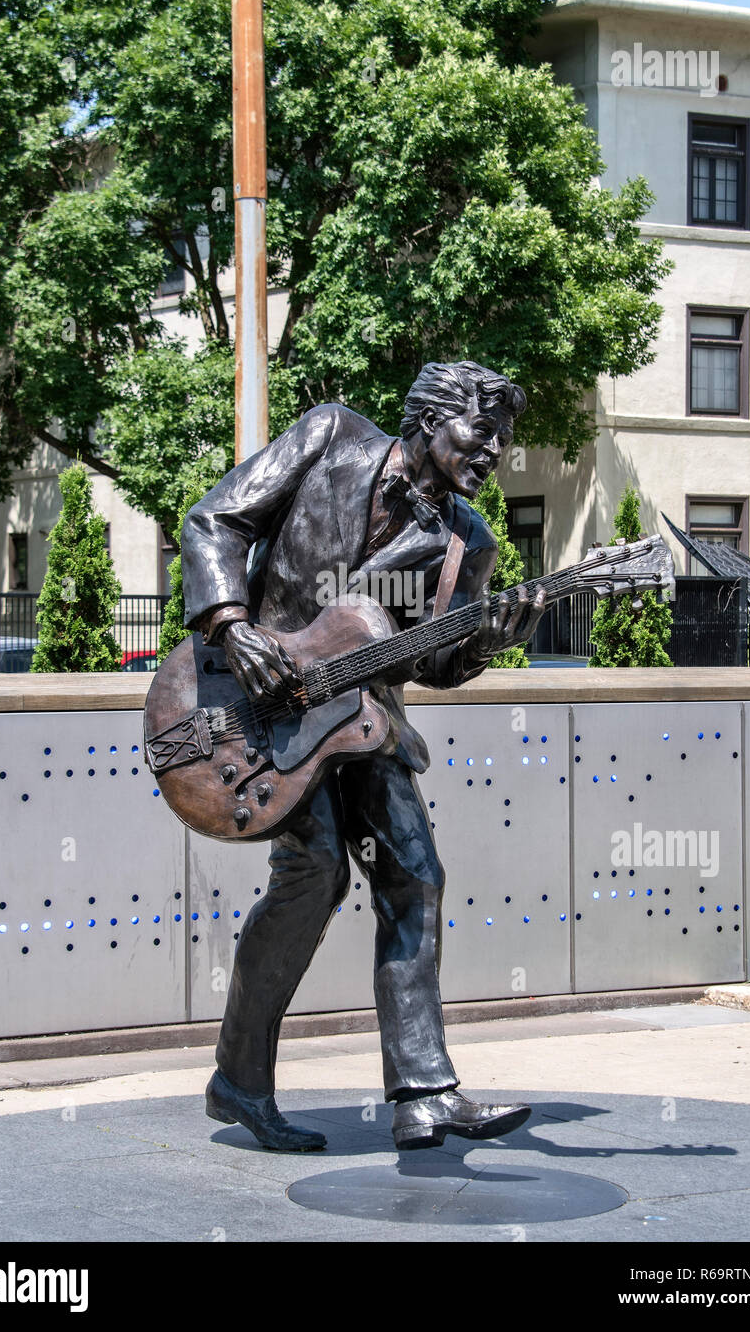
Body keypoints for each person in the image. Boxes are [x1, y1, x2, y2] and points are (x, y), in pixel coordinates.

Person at [180, 360, 546, 1151]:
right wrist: (232, 626)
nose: (494, 454)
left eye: (504, 442)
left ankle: (422, 1093)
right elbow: (215, 520)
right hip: (256, 706)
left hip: (366, 717)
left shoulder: (466, 542)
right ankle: (238, 1080)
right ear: (432, 417)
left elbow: (431, 662)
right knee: (314, 874)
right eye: (483, 433)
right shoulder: (330, 436)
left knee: (414, 875)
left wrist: (488, 639)